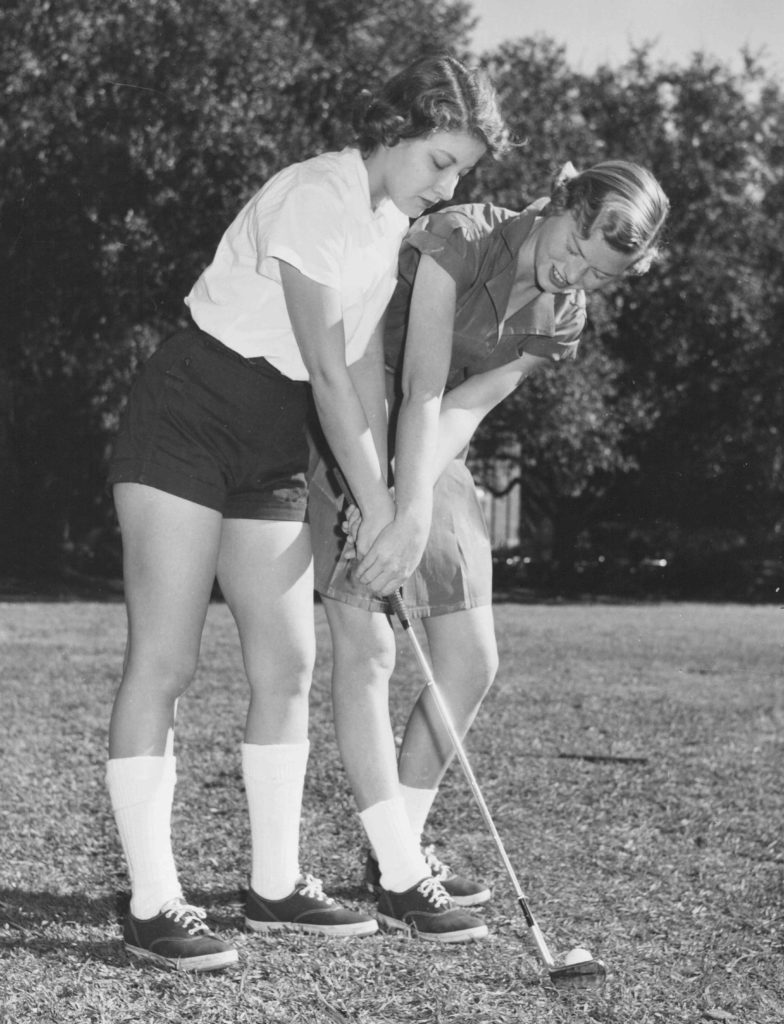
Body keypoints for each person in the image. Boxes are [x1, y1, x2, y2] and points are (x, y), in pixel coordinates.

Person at [104, 53, 508, 971]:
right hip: (192, 415)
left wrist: (388, 506)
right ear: (398, 128)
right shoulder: (319, 195)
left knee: (289, 660)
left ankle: (275, 886)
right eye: (440, 160)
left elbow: (362, 376)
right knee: (165, 660)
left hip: (272, 443)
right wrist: (381, 508)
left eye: (461, 174)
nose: (447, 185)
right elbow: (326, 368)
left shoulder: (383, 227)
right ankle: (152, 901)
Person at [308, 159, 670, 940]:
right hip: (355, 410)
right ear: (563, 203)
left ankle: (392, 848)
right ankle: (402, 868)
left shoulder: (561, 317)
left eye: (597, 277)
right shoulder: (460, 235)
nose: (572, 274)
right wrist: (389, 509)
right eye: (575, 246)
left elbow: (468, 406)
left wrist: (415, 500)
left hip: (435, 446)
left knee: (471, 659)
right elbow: (423, 382)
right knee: (368, 646)